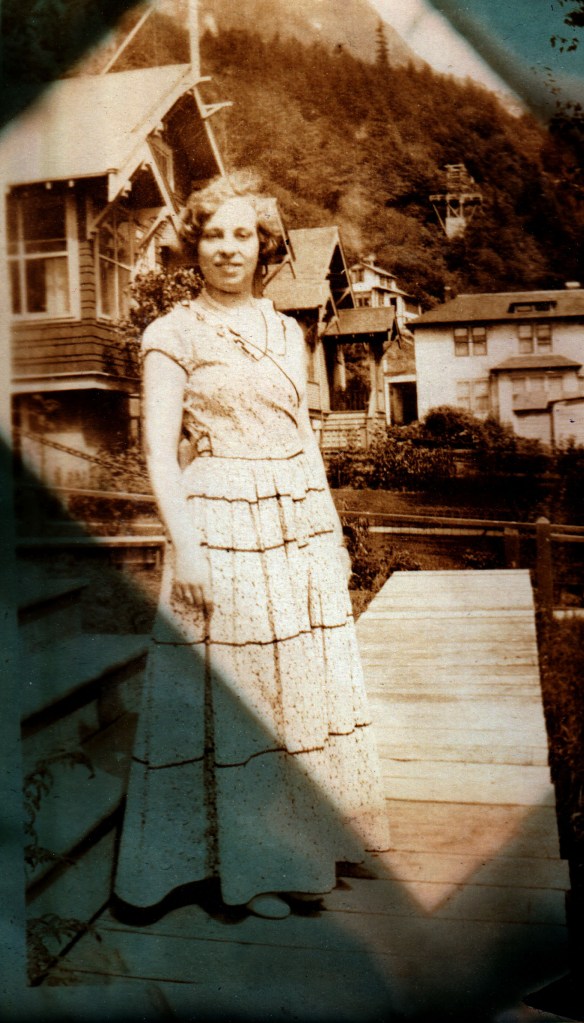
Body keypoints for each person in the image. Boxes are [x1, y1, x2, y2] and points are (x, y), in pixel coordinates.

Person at [114, 175, 389, 921]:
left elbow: (303, 440)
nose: (228, 247)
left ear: (264, 246)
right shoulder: (173, 335)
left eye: (242, 234)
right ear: (194, 247)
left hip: (295, 520)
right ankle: (248, 867)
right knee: (243, 693)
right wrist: (189, 550)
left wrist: (331, 535)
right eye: (214, 235)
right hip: (221, 521)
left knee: (300, 684)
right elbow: (161, 455)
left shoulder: (284, 330)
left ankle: (304, 849)